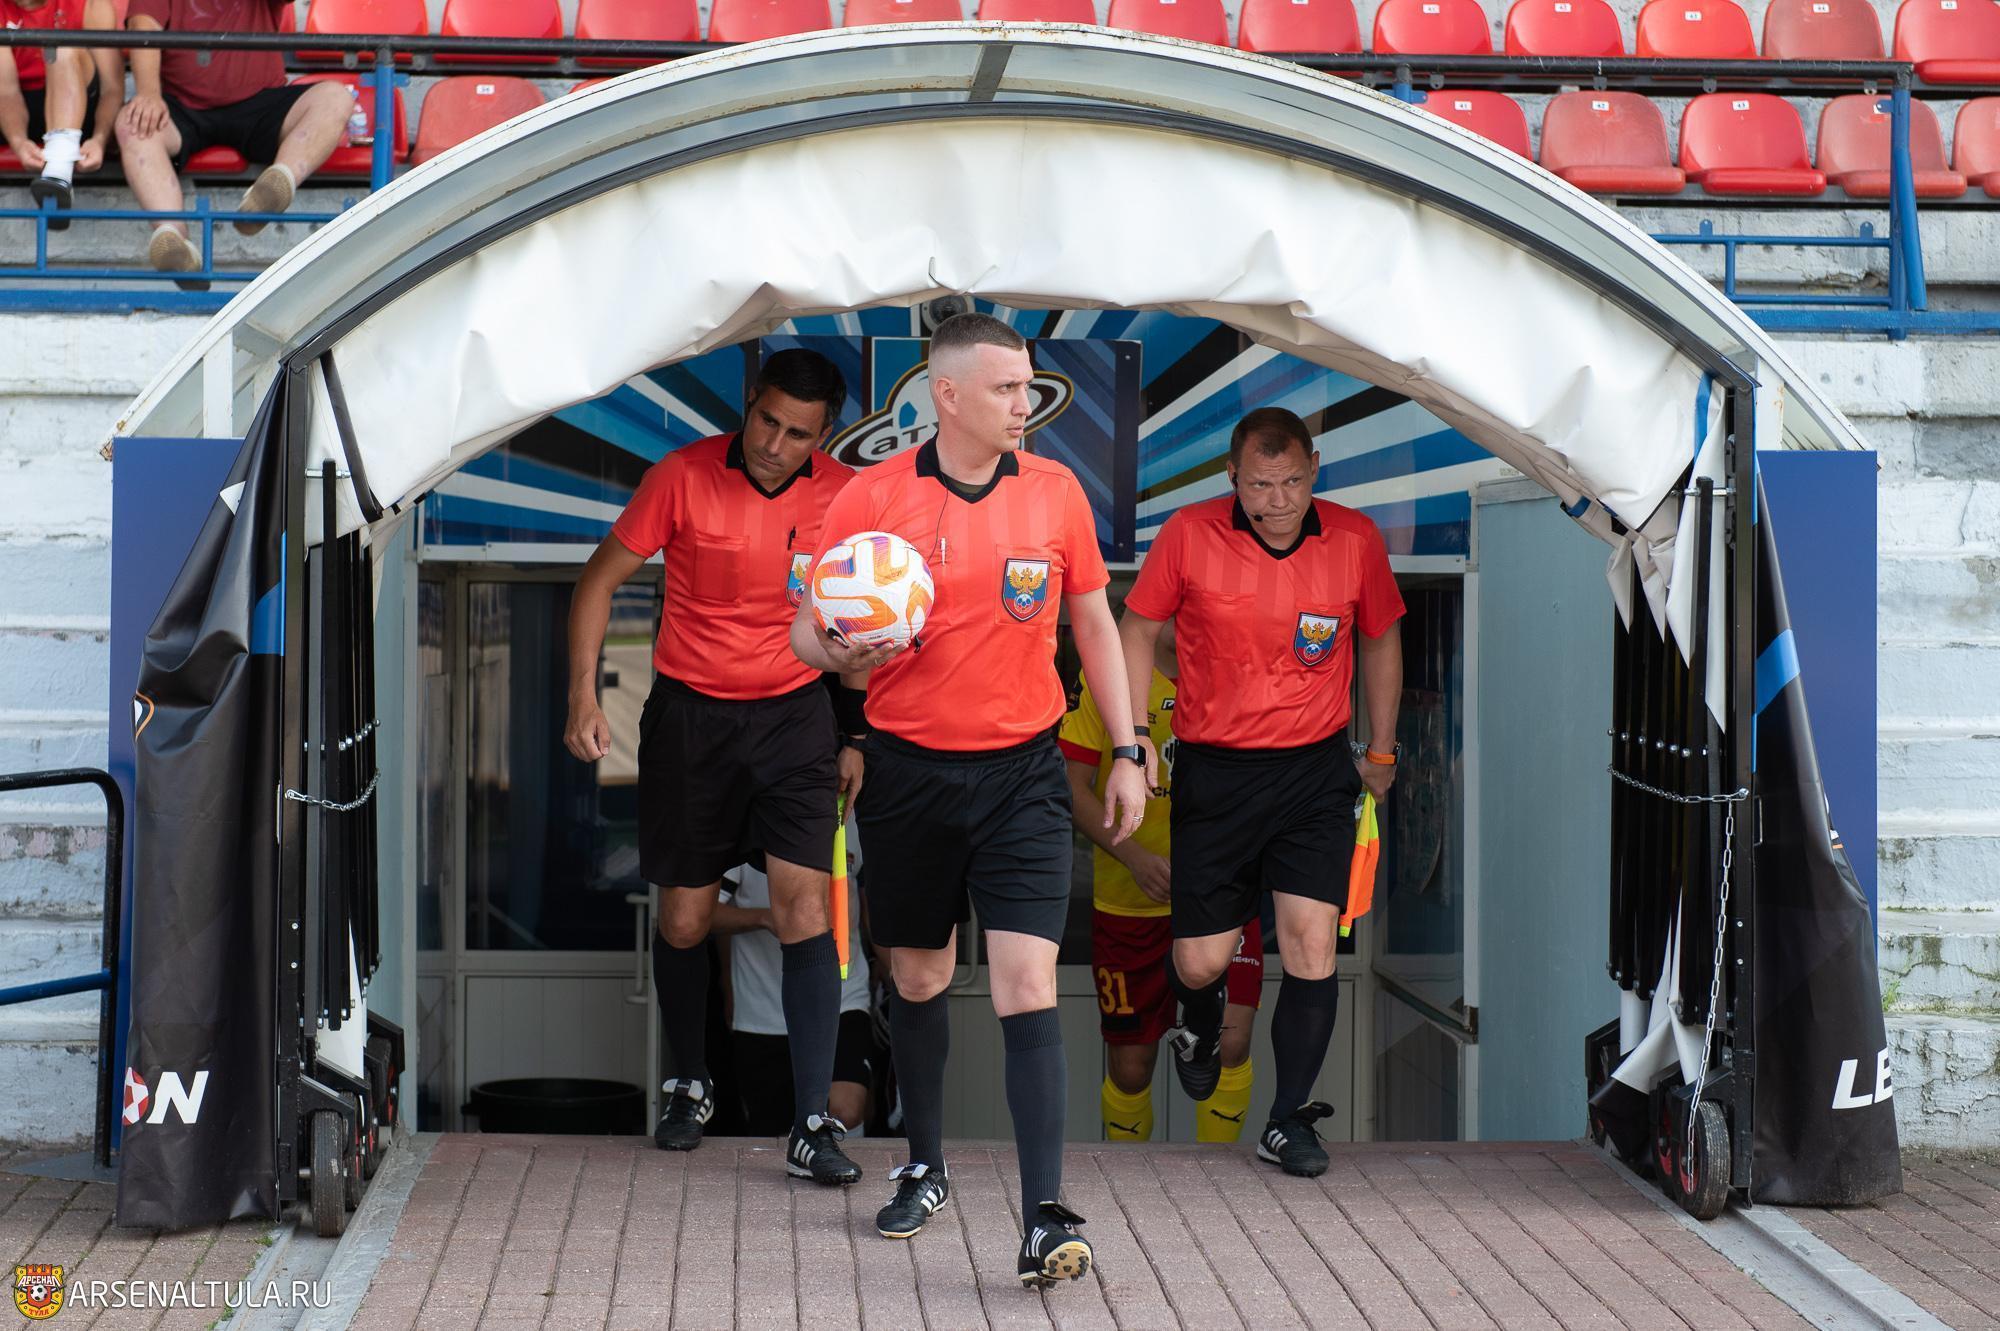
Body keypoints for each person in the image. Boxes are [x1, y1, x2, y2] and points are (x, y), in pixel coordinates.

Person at [791, 311, 1148, 1289]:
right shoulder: (871, 495)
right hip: (908, 772)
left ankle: (1042, 1215)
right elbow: (803, 631)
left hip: (1024, 774)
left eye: (1028, 385)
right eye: (1005, 388)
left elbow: (1093, 622)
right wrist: (841, 646)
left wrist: (1126, 747)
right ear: (945, 395)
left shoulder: (1055, 491)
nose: (1025, 402)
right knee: (917, 978)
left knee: (1026, 982)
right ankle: (925, 1165)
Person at [565, 348, 879, 1186]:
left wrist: (855, 736)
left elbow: (856, 621)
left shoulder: (846, 495)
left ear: (824, 435)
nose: (775, 443)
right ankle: (691, 1080)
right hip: (691, 718)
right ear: (749, 403)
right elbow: (597, 581)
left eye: (797, 433)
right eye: (766, 421)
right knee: (684, 920)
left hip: (795, 718)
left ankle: (810, 1121)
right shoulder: (682, 475)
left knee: (806, 909)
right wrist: (582, 696)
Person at [1118, 406, 1404, 1179]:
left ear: (1315, 470)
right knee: (1201, 962)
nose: (1276, 501)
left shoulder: (1354, 539)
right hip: (1216, 770)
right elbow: (1136, 628)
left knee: (1311, 943)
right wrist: (1134, 738)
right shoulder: (1188, 533)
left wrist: (1381, 747)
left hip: (1314, 771)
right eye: (1258, 485)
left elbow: (1380, 635)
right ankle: (1199, 1025)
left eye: (1291, 483)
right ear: (1231, 478)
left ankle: (1288, 1118)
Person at [1059, 625, 1266, 1145]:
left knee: (1231, 1043)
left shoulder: (1235, 669)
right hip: (1129, 904)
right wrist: (1133, 857)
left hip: (1222, 897)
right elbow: (1069, 785)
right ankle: (1131, 1187)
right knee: (1131, 1067)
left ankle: (1217, 1183)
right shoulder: (1106, 675)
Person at [117, 0, 352, 282]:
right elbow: (144, 26)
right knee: (131, 123)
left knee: (336, 98)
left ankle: (276, 185)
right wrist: (148, 94)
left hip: (261, 102)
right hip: (182, 106)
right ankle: (174, 240)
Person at [715, 835, 874, 1138]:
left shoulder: (854, 821)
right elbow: (702, 913)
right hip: (763, 1008)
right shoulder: (746, 826)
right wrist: (765, 918)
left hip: (843, 996)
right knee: (772, 1130)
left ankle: (839, 1159)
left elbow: (873, 906)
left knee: (846, 1109)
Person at [1, 0, 122, 224]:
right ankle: (58, 171)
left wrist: (100, 139)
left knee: (59, 45)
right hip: (23, 110)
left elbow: (112, 88)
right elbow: (7, 93)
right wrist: (18, 141)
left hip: (81, 108)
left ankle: (58, 170)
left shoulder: (91, 5)